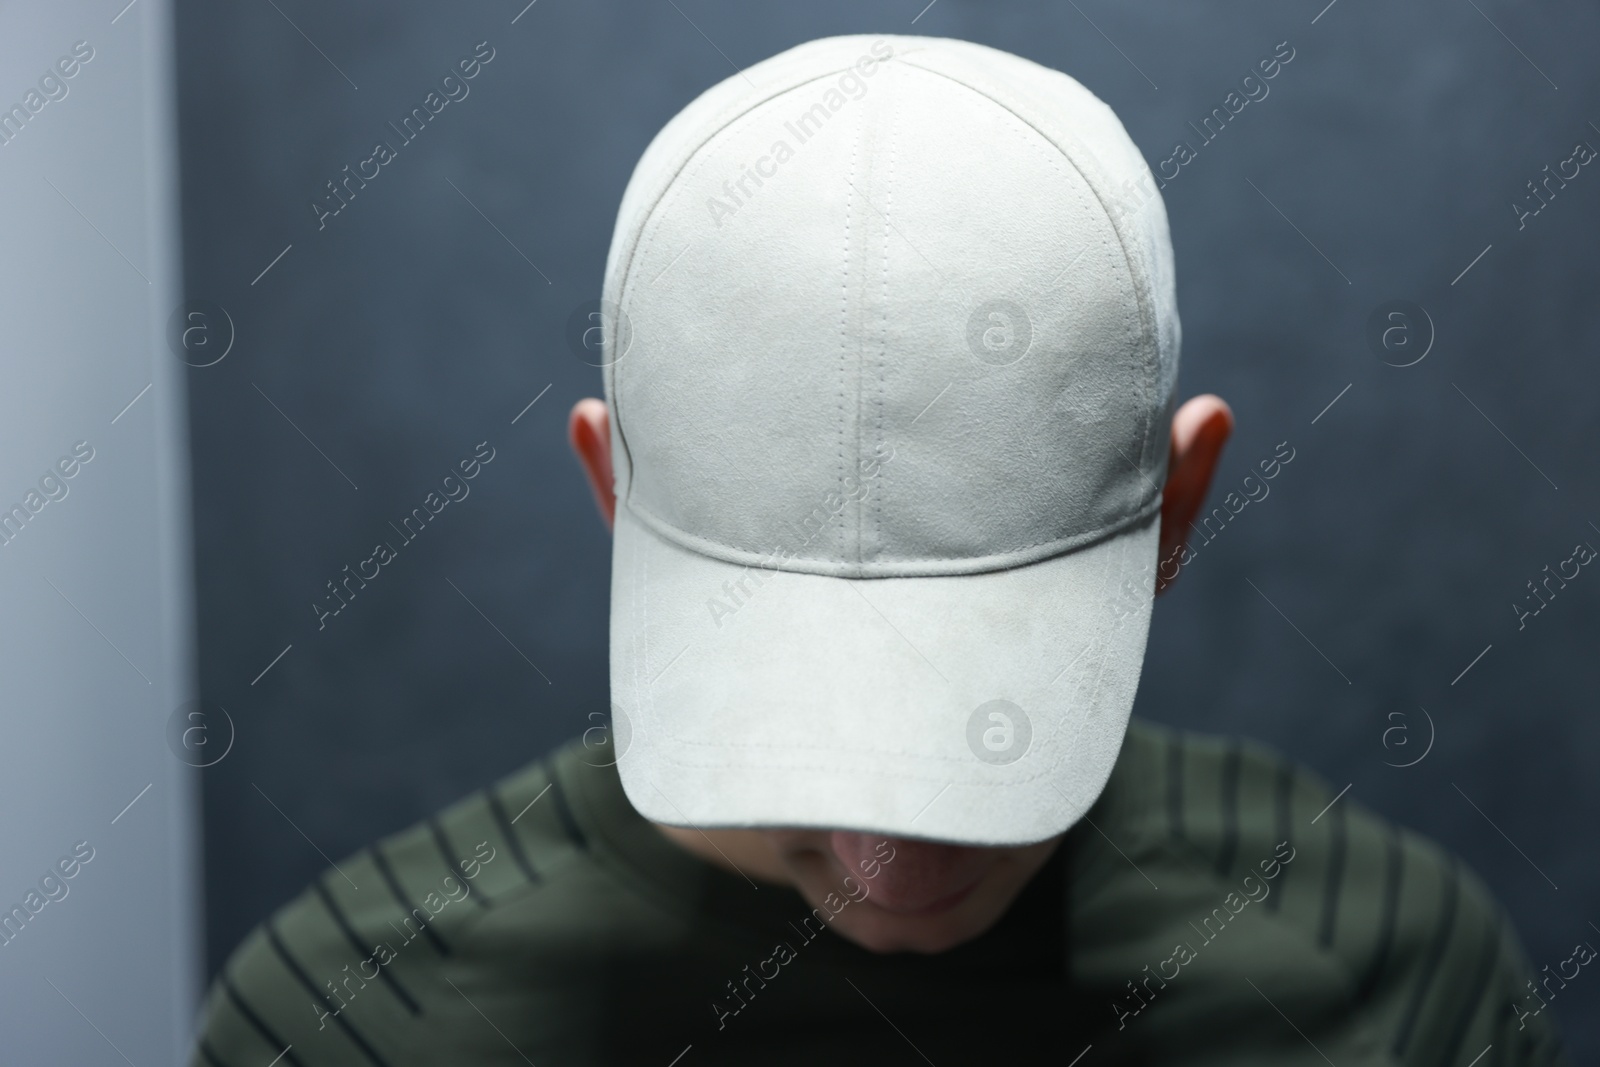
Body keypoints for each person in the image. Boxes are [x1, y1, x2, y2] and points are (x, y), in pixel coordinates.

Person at [190, 34, 1568, 1066]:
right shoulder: (331, 1032)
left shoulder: (1401, 985)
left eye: (986, 708)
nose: (890, 863)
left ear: (1181, 504)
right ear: (611, 489)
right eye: (802, 706)